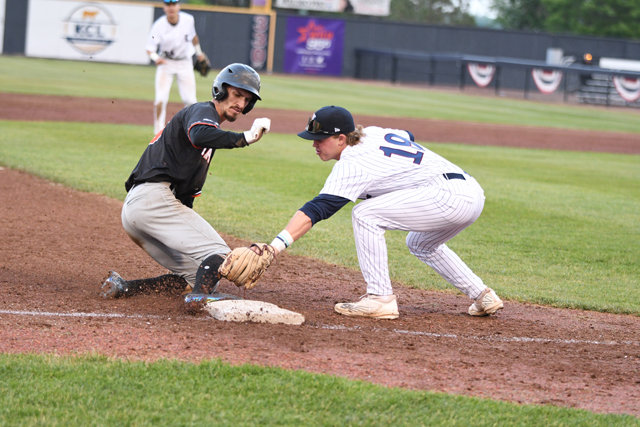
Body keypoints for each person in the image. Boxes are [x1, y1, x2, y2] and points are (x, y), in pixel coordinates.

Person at [263, 106, 503, 319]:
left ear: (341, 138)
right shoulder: (372, 132)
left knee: (365, 215)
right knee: (420, 244)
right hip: (469, 192)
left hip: (447, 196)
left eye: (320, 139)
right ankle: (483, 295)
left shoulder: (352, 161)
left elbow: (318, 209)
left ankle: (380, 299)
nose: (314, 144)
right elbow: (407, 136)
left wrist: (274, 247)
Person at [101, 63, 271, 301]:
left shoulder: (209, 133)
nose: (241, 104)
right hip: (152, 200)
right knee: (221, 255)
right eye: (236, 95)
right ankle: (198, 299)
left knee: (198, 274)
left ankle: (126, 287)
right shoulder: (203, 111)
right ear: (220, 91)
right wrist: (246, 138)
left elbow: (185, 199)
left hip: (139, 210)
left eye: (247, 100)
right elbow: (199, 134)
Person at [146, 0, 207, 134]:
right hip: (166, 63)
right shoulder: (159, 25)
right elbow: (149, 49)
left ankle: (191, 129)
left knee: (190, 100)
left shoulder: (188, 20)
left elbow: (193, 37)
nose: (171, 7)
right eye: (168, 5)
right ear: (164, 7)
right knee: (160, 100)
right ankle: (158, 132)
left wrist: (199, 54)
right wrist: (157, 58)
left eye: (174, 4)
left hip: (184, 63)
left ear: (178, 6)